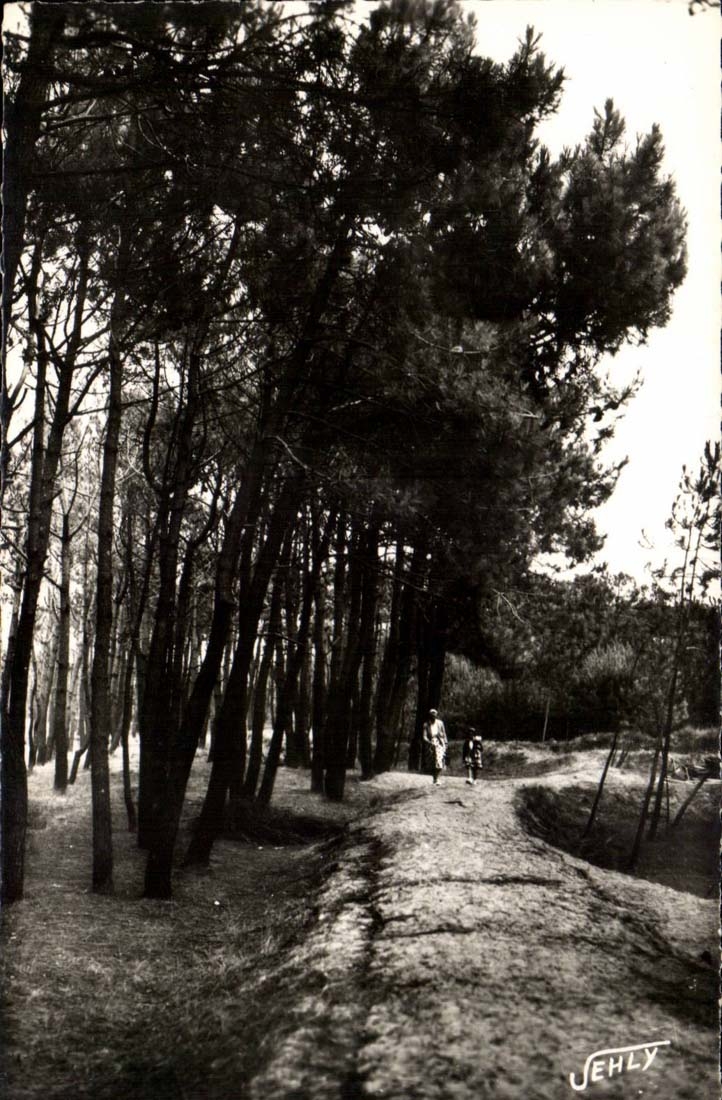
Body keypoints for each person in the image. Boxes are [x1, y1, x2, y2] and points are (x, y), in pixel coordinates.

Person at [422, 708, 448, 786]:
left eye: (434, 715)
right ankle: (435, 778)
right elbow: (424, 736)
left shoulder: (440, 723)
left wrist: (446, 743)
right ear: (429, 716)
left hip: (440, 742)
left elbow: (444, 733)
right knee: (433, 762)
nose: (433, 717)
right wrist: (429, 742)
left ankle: (437, 778)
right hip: (431, 744)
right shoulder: (426, 724)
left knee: (439, 759)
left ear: (436, 716)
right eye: (431, 716)